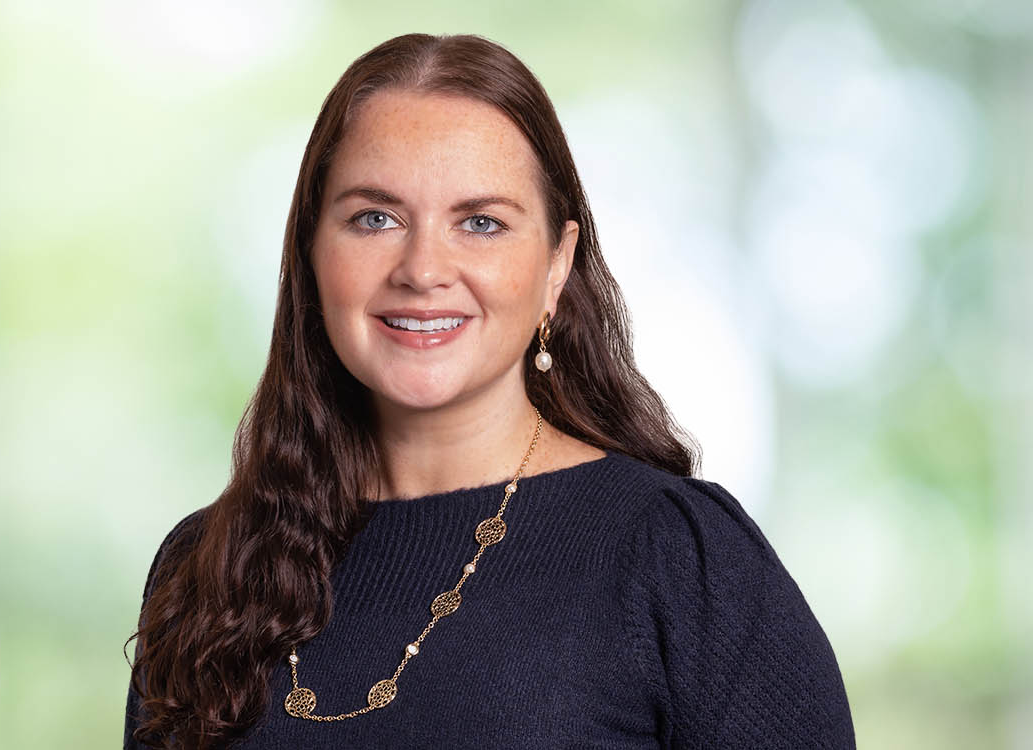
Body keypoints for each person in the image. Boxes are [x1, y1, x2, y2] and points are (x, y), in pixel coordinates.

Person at [123, 33, 853, 749]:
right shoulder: (205, 565)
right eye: (375, 218)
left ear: (557, 264)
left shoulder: (677, 558)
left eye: (481, 223)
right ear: (312, 251)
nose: (422, 269)